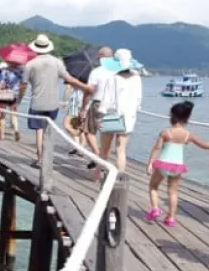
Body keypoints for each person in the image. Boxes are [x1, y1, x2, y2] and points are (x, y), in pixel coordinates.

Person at [145, 102, 209, 227]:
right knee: (172, 192)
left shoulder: (165, 132)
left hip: (163, 164)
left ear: (171, 116)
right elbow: (205, 145)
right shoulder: (188, 135)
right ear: (187, 119)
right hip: (177, 167)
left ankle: (155, 208)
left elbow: (157, 148)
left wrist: (150, 162)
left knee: (153, 186)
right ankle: (171, 218)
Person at [18, 34, 91, 168]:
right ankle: (47, 158)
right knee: (48, 131)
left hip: (37, 103)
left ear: (36, 48)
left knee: (39, 130)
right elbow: (70, 79)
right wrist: (87, 87)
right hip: (53, 104)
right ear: (48, 47)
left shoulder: (30, 64)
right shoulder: (57, 62)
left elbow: (23, 85)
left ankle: (40, 160)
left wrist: (19, 99)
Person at [95, 48, 141, 178]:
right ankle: (119, 177)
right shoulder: (137, 77)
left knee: (104, 148)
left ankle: (97, 173)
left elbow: (107, 99)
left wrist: (100, 114)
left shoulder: (113, 77)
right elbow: (138, 99)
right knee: (121, 149)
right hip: (129, 118)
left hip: (112, 116)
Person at [80, 47, 114, 169]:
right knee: (108, 136)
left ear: (101, 57)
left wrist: (83, 108)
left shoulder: (97, 72)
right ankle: (104, 159)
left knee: (88, 131)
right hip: (114, 106)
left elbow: (89, 92)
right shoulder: (117, 71)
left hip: (98, 104)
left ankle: (97, 155)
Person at [0, 62, 23, 141]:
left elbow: (2, 82)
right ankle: (16, 130)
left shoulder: (5, 71)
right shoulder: (20, 71)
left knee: (2, 116)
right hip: (15, 94)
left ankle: (2, 135)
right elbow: (22, 84)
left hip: (5, 93)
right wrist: (20, 97)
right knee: (14, 114)